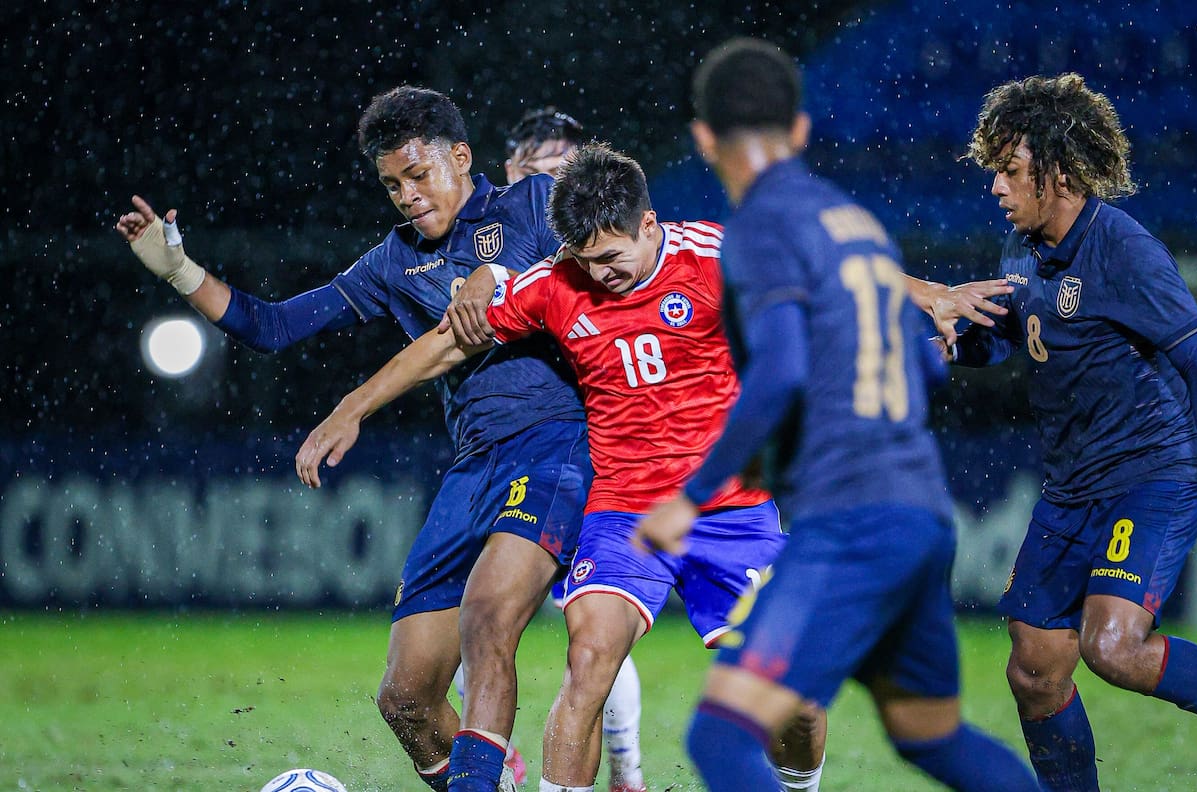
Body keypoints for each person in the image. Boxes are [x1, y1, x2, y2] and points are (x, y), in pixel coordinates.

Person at [297, 142, 829, 792]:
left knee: (794, 701)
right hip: (624, 514)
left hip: (732, 513)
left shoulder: (716, 256)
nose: (600, 274)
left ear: (650, 225)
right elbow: (446, 343)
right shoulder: (556, 284)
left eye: (612, 257)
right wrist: (355, 405)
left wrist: (928, 301)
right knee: (588, 661)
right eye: (584, 259)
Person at [116, 85, 590, 792]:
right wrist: (179, 269)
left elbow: (598, 270)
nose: (406, 195)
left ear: (461, 157)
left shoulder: (530, 207)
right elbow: (271, 326)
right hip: (472, 471)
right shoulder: (395, 262)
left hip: (556, 447)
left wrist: (353, 406)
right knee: (405, 698)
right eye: (391, 183)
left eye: (419, 174)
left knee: (489, 619)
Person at [634, 37, 1040, 791]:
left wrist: (690, 498)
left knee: (722, 738)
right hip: (920, 513)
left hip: (850, 519)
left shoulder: (757, 229)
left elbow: (782, 371)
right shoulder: (855, 224)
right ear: (799, 132)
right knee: (931, 736)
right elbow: (920, 362)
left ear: (702, 139)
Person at [906, 73, 1197, 791]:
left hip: (1149, 477)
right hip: (1068, 491)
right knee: (1035, 670)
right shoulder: (1021, 248)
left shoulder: (1125, 254)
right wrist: (962, 341)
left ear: (1059, 171)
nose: (997, 189)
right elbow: (1017, 337)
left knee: (1114, 647)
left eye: (1011, 171)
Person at [451, 105, 649, 792]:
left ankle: (625, 769)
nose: (550, 191)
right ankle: (501, 764)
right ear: (511, 173)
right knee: (479, 633)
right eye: (539, 174)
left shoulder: (609, 256)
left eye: (564, 176)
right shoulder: (506, 248)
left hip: (594, 451)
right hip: (509, 449)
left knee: (590, 625)